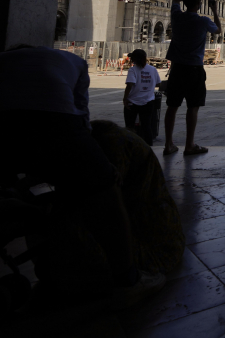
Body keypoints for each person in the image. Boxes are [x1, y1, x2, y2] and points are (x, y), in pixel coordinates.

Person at [0, 45, 165, 307]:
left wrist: (23, 183)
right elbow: (80, 117)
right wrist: (99, 169)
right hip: (57, 117)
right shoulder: (72, 62)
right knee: (104, 193)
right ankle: (128, 281)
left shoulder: (7, 59)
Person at [163, 0, 220, 156]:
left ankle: (168, 144)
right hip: (194, 69)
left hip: (177, 68)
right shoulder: (203, 21)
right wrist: (214, 10)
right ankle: (189, 145)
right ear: (200, 4)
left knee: (172, 107)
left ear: (186, 3)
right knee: (193, 107)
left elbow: (174, 0)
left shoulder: (177, 16)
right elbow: (218, 30)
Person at [122, 49, 161, 145]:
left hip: (133, 101)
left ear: (134, 59)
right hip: (148, 101)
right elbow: (158, 83)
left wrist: (125, 98)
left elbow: (130, 84)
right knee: (146, 125)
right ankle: (149, 147)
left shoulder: (133, 70)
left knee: (130, 126)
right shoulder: (152, 69)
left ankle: (130, 145)